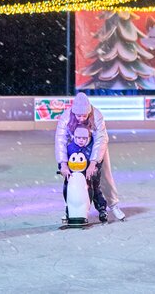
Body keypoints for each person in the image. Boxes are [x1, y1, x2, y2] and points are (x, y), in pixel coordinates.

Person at [56, 93, 126, 221]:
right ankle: (71, 210)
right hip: (76, 147)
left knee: (104, 176)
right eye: (78, 116)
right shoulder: (66, 117)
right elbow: (61, 140)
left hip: (95, 147)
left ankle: (113, 205)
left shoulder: (97, 115)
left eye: (84, 115)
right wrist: (63, 164)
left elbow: (101, 139)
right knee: (70, 179)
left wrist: (94, 163)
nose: (81, 118)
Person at [63, 125, 108, 222]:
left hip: (89, 175)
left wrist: (95, 169)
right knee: (68, 188)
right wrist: (64, 169)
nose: (81, 141)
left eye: (84, 138)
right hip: (74, 175)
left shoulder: (92, 148)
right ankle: (69, 208)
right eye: (79, 138)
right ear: (75, 137)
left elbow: (98, 159)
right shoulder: (70, 148)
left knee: (95, 189)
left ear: (88, 138)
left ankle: (101, 209)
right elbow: (64, 160)